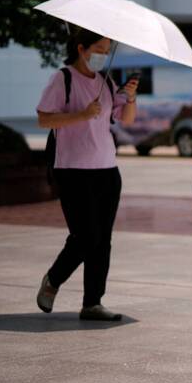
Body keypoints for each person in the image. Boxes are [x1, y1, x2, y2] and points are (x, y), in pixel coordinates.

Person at [35, 26, 138, 321]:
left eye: (107, 51)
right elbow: (43, 119)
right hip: (72, 170)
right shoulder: (63, 79)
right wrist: (81, 115)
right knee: (85, 236)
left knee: (102, 239)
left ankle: (92, 302)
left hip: (107, 170)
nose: (103, 56)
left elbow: (125, 119)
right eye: (99, 50)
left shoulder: (106, 84)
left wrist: (129, 97)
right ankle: (53, 280)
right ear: (81, 48)